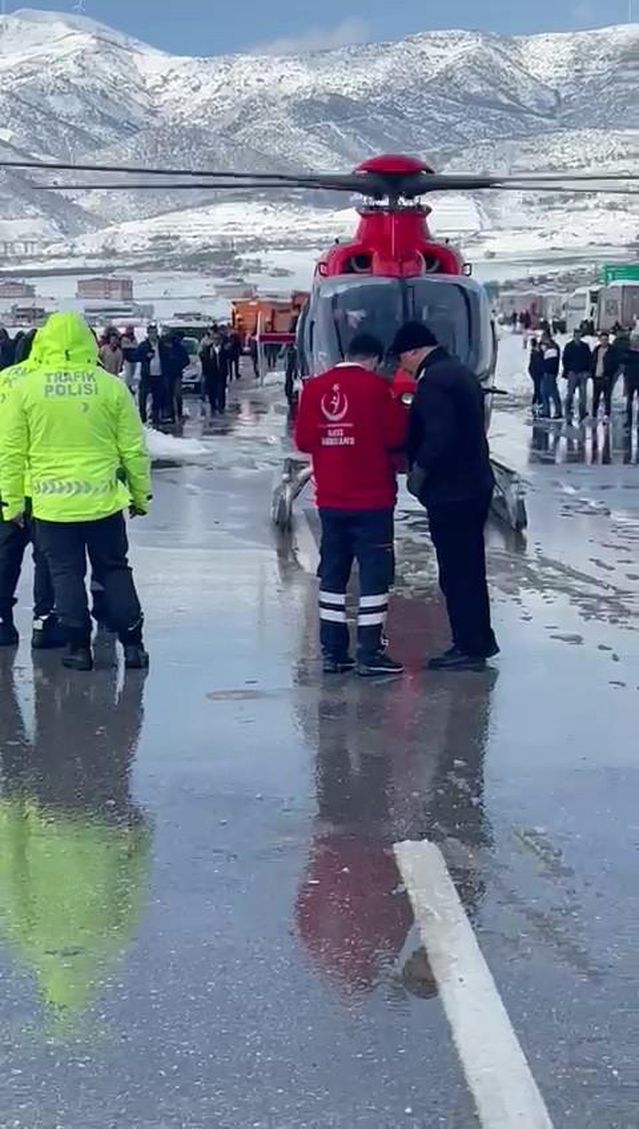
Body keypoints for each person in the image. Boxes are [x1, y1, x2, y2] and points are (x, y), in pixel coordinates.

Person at [0, 312, 151, 672]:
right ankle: (132, 644)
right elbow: (133, 447)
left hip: (52, 504)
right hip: (102, 501)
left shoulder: (25, 388)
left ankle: (78, 648)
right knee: (114, 569)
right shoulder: (110, 385)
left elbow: (12, 453)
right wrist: (140, 494)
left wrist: (12, 502)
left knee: (65, 574)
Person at [294, 332, 408, 677]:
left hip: (331, 499)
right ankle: (370, 651)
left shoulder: (314, 389)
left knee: (333, 573)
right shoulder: (378, 390)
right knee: (374, 576)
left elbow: (303, 440)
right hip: (372, 500)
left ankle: (333, 652)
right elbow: (397, 436)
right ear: (373, 359)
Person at [391, 321, 498, 672]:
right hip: (474, 485)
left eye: (402, 358)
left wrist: (418, 475)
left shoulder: (434, 380)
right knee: (471, 568)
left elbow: (439, 435)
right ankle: (478, 641)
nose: (401, 366)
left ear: (413, 351)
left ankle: (468, 647)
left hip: (453, 492)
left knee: (457, 572)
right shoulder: (459, 372)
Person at [0, 330, 62, 650]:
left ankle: (2, 621)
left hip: (6, 485)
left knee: (4, 557)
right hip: (44, 488)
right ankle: (45, 622)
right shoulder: (49, 384)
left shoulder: (4, 380)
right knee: (47, 559)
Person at [137, 324, 167, 428]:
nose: (153, 335)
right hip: (146, 375)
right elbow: (136, 356)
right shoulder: (143, 345)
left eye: (155, 332)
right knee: (142, 397)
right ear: (148, 333)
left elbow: (166, 357)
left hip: (159, 374)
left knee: (157, 397)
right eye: (151, 332)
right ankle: (142, 418)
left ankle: (155, 417)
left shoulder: (162, 345)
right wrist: (146, 356)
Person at [562, 328, 592, 423]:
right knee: (570, 393)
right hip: (572, 373)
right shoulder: (569, 346)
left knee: (583, 395)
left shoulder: (585, 346)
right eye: (576, 335)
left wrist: (588, 371)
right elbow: (565, 359)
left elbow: (589, 359)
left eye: (579, 335)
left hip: (583, 373)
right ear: (574, 336)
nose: (578, 337)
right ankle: (568, 410)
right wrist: (568, 371)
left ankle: (582, 413)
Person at [201, 330, 230, 416]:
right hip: (211, 374)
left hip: (221, 374)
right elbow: (204, 360)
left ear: (220, 340)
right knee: (212, 392)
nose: (216, 341)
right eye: (214, 339)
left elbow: (228, 358)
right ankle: (213, 406)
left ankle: (221, 407)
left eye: (218, 339)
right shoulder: (208, 349)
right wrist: (205, 372)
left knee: (221, 391)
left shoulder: (224, 349)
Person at [591, 331, 617, 422]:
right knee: (595, 397)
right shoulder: (596, 350)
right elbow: (593, 361)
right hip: (596, 376)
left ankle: (607, 413)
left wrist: (609, 374)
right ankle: (594, 413)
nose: (604, 342)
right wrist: (592, 373)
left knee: (607, 397)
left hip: (606, 377)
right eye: (602, 340)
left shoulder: (612, 351)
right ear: (600, 340)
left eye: (606, 340)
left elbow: (615, 364)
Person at [165, 331, 190, 424]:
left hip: (176, 375)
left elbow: (186, 360)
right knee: (170, 395)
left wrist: (178, 366)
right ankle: (172, 414)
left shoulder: (179, 349)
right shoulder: (165, 349)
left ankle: (178, 413)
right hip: (169, 375)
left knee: (177, 394)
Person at [539, 331, 562, 419]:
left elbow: (549, 361)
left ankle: (554, 411)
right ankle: (548, 410)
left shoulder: (552, 348)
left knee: (551, 392)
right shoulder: (544, 346)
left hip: (550, 373)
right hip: (546, 372)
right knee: (546, 392)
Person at [620, 332, 639, 429]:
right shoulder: (626, 353)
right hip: (629, 379)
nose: (636, 342)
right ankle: (629, 421)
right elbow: (623, 367)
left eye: (637, 340)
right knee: (629, 401)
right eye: (634, 340)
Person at [528, 337, 544, 416]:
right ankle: (538, 402)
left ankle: (537, 402)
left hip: (537, 372)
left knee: (537, 388)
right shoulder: (536, 352)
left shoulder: (535, 352)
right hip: (537, 372)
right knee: (538, 388)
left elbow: (533, 365)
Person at [120, 325, 138, 392]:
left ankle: (130, 386)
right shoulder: (124, 338)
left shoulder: (133, 338)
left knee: (132, 374)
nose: (131, 330)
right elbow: (124, 348)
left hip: (133, 359)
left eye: (132, 329)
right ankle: (127, 387)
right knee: (128, 374)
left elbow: (136, 346)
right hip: (127, 359)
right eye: (129, 329)